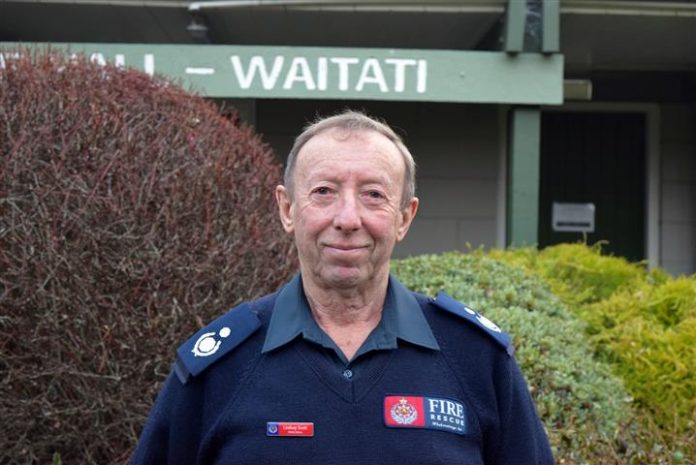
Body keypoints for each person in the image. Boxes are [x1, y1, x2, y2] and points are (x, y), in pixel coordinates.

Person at [131, 110, 554, 465]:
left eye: (373, 194)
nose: (348, 218)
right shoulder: (221, 367)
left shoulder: (476, 359)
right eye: (324, 192)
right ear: (287, 209)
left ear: (405, 217)